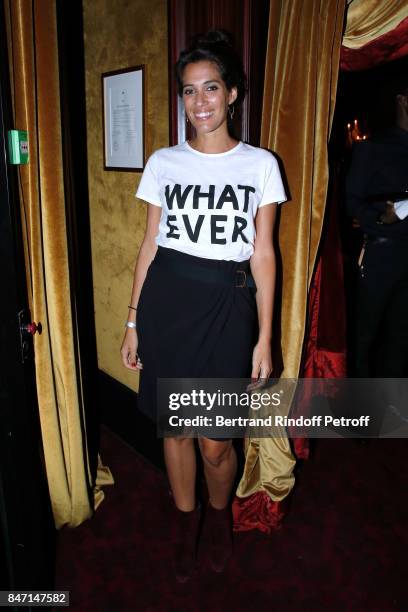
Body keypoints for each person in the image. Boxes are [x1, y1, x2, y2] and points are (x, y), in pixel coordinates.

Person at [120, 30, 287, 582]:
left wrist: (265, 337)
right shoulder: (163, 162)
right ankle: (184, 525)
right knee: (175, 430)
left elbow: (264, 254)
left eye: (211, 88)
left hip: (227, 307)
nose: (200, 103)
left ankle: (219, 520)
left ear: (232, 93)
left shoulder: (261, 165)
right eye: (189, 92)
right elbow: (149, 247)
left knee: (217, 441)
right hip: (168, 302)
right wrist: (133, 322)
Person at [345, 80, 408, 433]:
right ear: (402, 99)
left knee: (402, 335)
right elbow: (352, 202)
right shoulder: (376, 148)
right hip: (381, 255)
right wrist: (385, 214)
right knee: (365, 335)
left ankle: (395, 405)